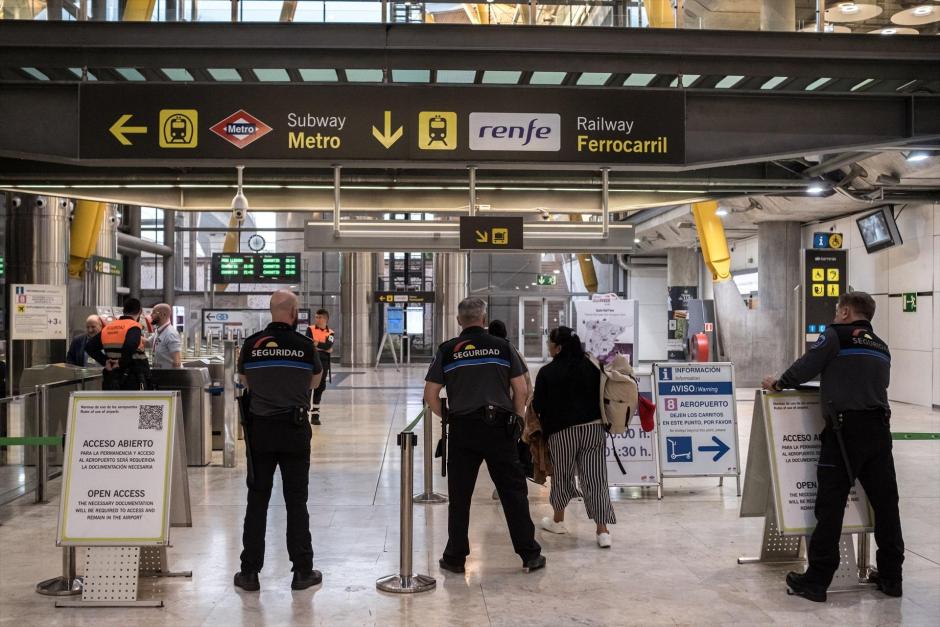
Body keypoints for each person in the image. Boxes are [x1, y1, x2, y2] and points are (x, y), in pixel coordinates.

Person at [762, 291, 903, 603]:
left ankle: (816, 581)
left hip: (844, 433)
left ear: (846, 311)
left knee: (830, 505)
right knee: (886, 505)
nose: (836, 314)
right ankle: (892, 578)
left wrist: (780, 383)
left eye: (839, 309)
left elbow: (807, 365)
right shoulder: (881, 346)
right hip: (879, 431)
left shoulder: (835, 336)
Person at [424, 297, 545, 574]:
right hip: (499, 429)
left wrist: (450, 416)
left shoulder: (448, 350)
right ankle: (529, 554)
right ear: (484, 318)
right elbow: (521, 389)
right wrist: (515, 418)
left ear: (459, 321)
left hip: (463, 430)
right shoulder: (503, 347)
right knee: (513, 493)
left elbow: (430, 395)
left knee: (460, 495)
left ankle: (455, 558)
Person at [234, 290, 323, 592]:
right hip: (295, 429)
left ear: (272, 311)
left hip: (260, 431)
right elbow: (315, 381)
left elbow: (244, 381)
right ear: (295, 311)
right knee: (296, 502)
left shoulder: (251, 345)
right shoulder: (305, 346)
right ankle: (302, 571)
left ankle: (249, 573)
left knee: (257, 500)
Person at [532, 326, 616, 548]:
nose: (548, 346)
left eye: (550, 343)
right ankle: (602, 530)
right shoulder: (593, 367)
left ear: (558, 348)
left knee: (562, 475)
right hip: (593, 429)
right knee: (596, 478)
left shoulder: (547, 372)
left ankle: (558, 521)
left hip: (562, 432)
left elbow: (538, 405)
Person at [85, 298, 152, 390]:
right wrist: (120, 362)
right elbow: (131, 344)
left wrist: (105, 361)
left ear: (123, 311)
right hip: (132, 378)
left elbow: (89, 347)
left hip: (112, 377)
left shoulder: (109, 327)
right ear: (140, 311)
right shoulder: (133, 326)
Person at [487, 320, 533, 405]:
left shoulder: (486, 354)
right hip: (511, 403)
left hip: (491, 404)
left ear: (489, 334)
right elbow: (526, 378)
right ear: (505, 333)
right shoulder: (514, 352)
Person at [305, 309, 334, 425]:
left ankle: (315, 415)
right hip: (311, 361)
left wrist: (316, 344)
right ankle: (305, 412)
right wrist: (324, 347)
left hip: (323, 363)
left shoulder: (330, 332)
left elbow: (329, 345)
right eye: (316, 317)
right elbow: (308, 343)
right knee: (308, 387)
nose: (317, 319)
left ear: (325, 319)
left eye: (319, 317)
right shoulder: (310, 329)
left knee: (320, 387)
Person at [150, 303, 182, 369]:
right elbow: (148, 342)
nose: (151, 315)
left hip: (168, 376)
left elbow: (177, 362)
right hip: (160, 374)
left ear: (163, 315)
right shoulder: (159, 330)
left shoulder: (170, 333)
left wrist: (173, 378)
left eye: (154, 312)